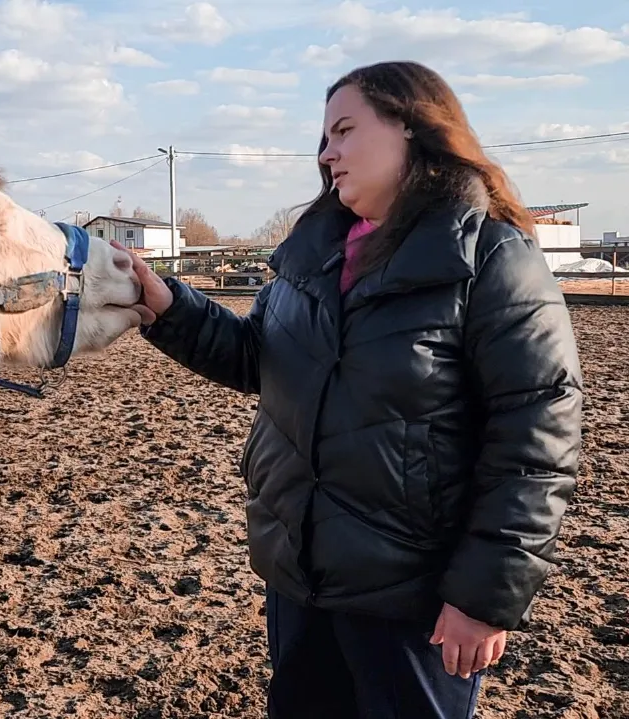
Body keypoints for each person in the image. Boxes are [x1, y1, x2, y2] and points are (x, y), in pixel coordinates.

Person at [120, 60, 583, 719]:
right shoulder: (314, 253)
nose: (326, 152)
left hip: (414, 596)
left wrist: (484, 597)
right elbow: (260, 357)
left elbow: (537, 440)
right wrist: (169, 307)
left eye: (343, 130)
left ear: (412, 128)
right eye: (324, 136)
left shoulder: (491, 259)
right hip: (302, 578)